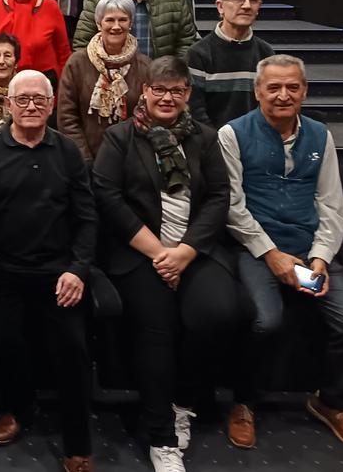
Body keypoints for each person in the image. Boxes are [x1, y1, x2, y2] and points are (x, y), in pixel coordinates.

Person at [91, 56, 238, 472]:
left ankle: (182, 403)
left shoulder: (205, 139)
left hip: (194, 250)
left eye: (177, 90)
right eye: (160, 89)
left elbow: (218, 199)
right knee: (156, 329)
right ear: (145, 92)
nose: (167, 97)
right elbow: (107, 197)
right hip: (139, 252)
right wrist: (160, 253)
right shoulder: (120, 138)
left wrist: (185, 251)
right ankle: (162, 437)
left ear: (188, 94)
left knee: (220, 314)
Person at [220, 55, 343, 453]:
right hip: (256, 249)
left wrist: (320, 257)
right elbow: (233, 208)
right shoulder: (232, 134)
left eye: (292, 87)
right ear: (257, 92)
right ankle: (244, 402)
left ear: (304, 91)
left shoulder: (321, 136)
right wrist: (272, 255)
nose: (283, 95)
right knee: (265, 321)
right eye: (273, 87)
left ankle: (331, 402)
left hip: (310, 247)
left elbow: (333, 207)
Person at [0, 69, 97, 472]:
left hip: (58, 273)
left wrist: (78, 269)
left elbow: (87, 219)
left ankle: (77, 442)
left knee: (73, 349)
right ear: (8, 106)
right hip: (2, 271)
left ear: (52, 105)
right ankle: (17, 409)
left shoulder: (68, 152)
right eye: (23, 100)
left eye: (40, 100)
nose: (32, 106)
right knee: (3, 341)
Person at [57, 0, 151, 161]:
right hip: (86, 160)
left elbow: (148, 117)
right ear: (99, 24)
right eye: (109, 20)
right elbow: (67, 117)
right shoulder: (77, 63)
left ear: (130, 24)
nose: (116, 26)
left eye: (122, 19)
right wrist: (84, 159)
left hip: (131, 161)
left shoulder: (145, 67)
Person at [187, 0, 274, 127]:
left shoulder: (266, 53)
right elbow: (195, 111)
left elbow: (270, 106)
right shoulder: (198, 53)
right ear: (220, 6)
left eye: (253, 0)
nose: (247, 5)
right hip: (213, 144)